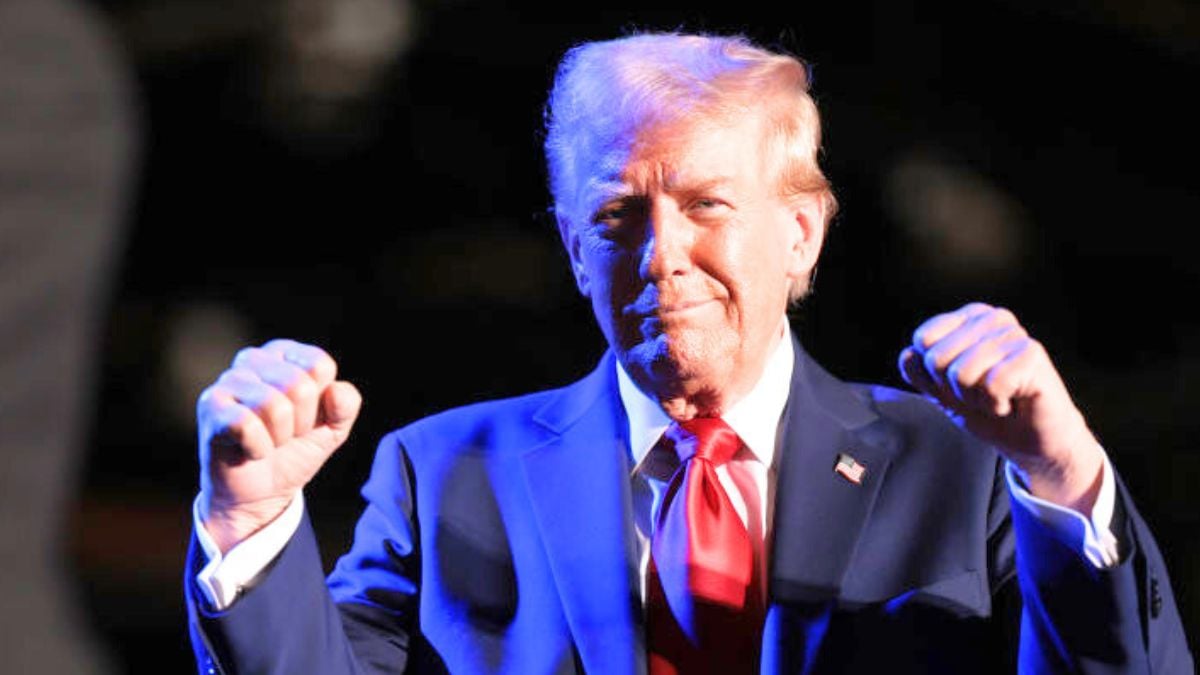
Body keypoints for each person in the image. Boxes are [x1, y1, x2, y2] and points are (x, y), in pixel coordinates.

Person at [185, 33, 1192, 673]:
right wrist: (250, 521)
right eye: (619, 215)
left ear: (801, 235)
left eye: (708, 205)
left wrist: (1061, 472)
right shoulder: (445, 471)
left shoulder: (968, 468)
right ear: (577, 251)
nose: (662, 256)